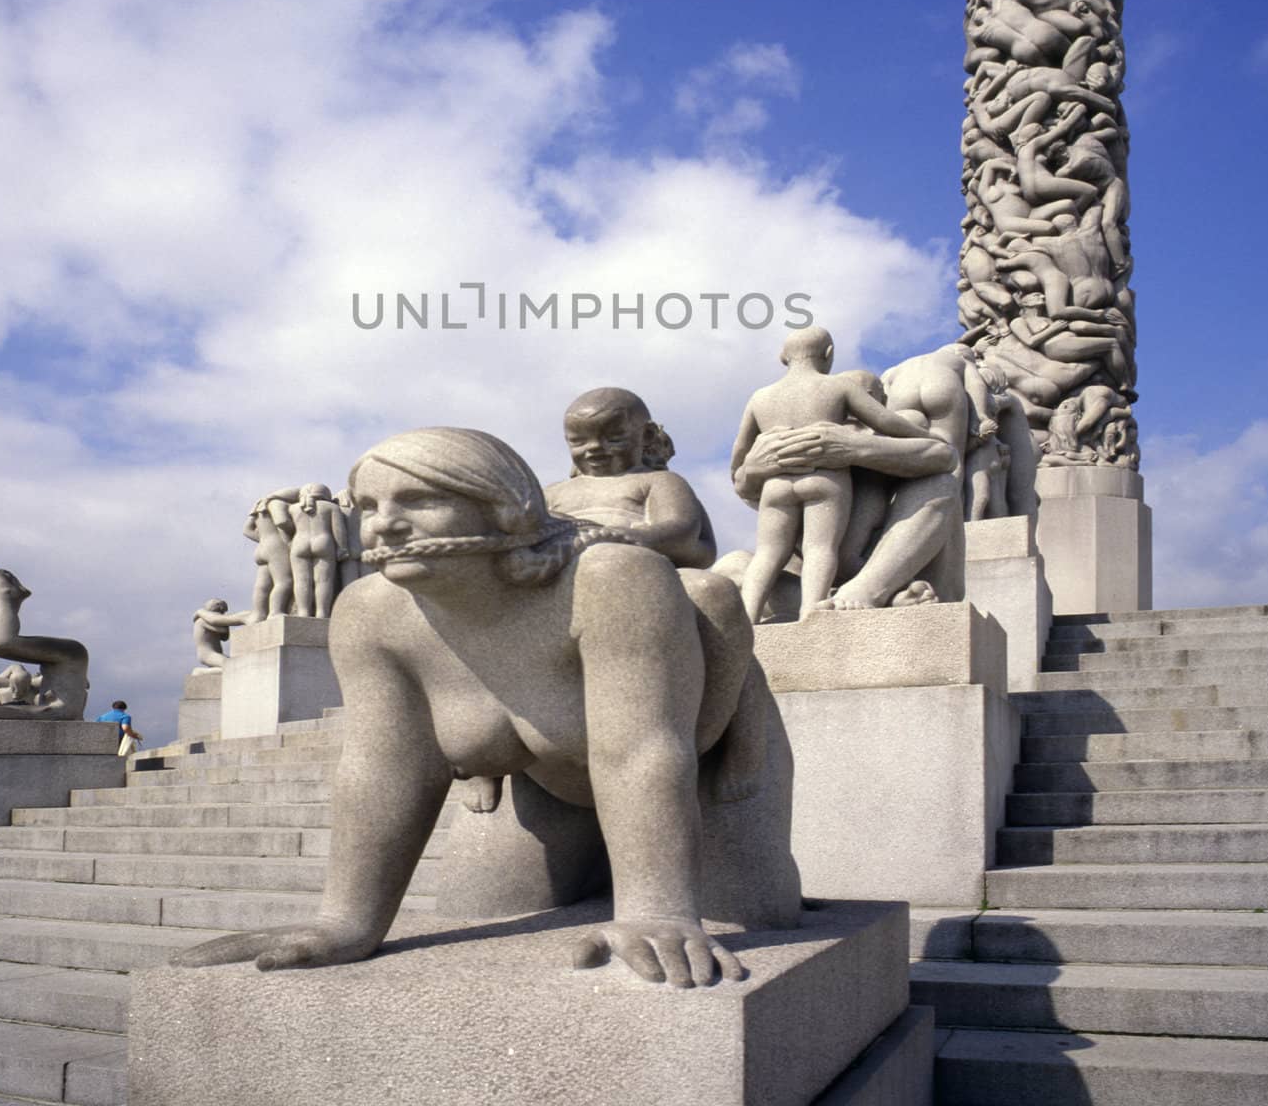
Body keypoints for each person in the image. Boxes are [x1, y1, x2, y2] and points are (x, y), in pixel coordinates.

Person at [173, 426, 794, 986]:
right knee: (482, 904)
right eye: (369, 507)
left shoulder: (610, 579)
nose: (382, 525)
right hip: (541, 787)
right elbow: (384, 770)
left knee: (749, 920)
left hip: (708, 777)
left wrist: (655, 909)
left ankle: (668, 861)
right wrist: (346, 923)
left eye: (417, 501)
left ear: (504, 511)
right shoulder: (371, 613)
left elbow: (640, 752)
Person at [729, 328, 932, 621]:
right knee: (820, 548)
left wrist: (751, 467)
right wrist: (921, 436)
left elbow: (740, 453)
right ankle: (810, 612)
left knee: (768, 553)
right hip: (824, 480)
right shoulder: (836, 386)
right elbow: (885, 421)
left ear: (782, 357)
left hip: (776, 484)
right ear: (828, 355)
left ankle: (746, 619)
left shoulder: (760, 397)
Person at [544, 387, 716, 569]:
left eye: (614, 438)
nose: (594, 446)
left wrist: (626, 536)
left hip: (636, 565)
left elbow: (682, 528)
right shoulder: (552, 493)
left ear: (647, 435)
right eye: (578, 441)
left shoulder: (659, 481)